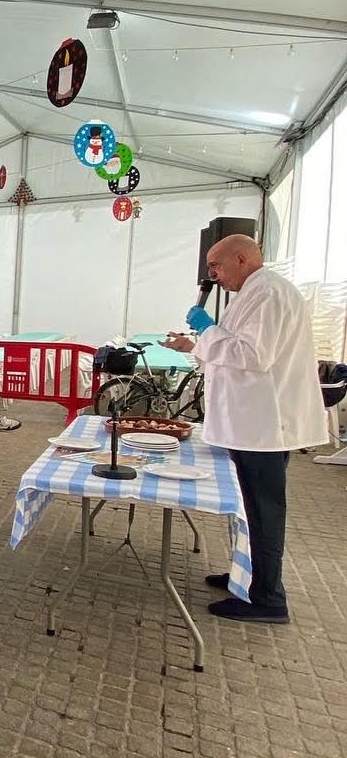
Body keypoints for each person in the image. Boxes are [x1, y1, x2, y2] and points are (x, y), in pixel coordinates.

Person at [163, 235, 326, 623]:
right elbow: (233, 349)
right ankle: (249, 576)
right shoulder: (253, 293)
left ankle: (268, 599)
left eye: (216, 266)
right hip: (250, 423)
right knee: (249, 507)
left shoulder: (268, 293)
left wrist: (208, 330)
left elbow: (252, 355)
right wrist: (195, 343)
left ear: (242, 258)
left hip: (264, 425)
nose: (212, 275)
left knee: (264, 511)